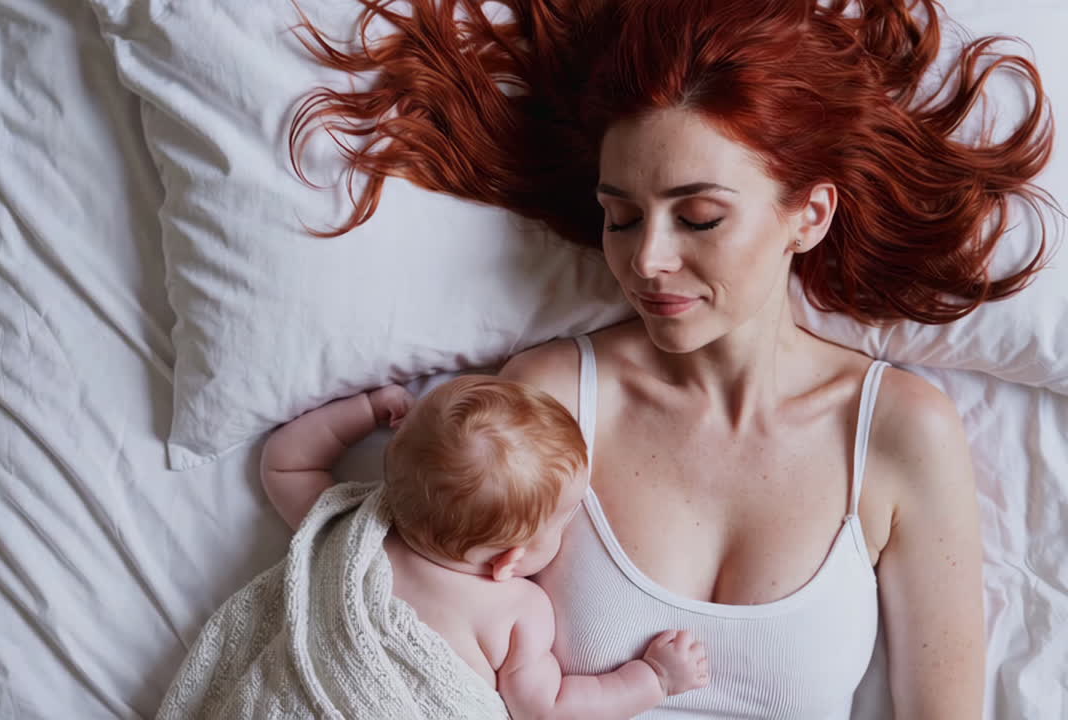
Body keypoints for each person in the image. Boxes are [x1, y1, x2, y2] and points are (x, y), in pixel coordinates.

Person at [288, 0, 1057, 717]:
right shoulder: (545, 403)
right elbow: (413, 633)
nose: (647, 259)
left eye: (698, 218)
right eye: (621, 218)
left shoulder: (899, 432)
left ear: (808, 216)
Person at [260, 377, 711, 718]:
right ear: (507, 560)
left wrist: (368, 408)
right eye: (564, 518)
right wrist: (654, 679)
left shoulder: (351, 535)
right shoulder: (518, 610)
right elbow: (547, 709)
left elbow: (285, 463)